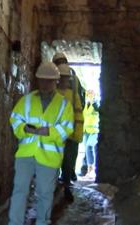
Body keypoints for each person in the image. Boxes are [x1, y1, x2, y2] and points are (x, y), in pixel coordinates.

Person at [8, 62, 74, 225]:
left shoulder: (64, 104)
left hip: (49, 157)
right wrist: (25, 128)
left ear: (56, 81)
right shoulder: (27, 100)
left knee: (45, 194)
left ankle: (42, 222)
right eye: (42, 80)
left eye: (49, 80)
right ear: (38, 80)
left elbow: (67, 128)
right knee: (19, 191)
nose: (45, 84)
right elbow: (15, 119)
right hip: (26, 154)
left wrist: (49, 132)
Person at [52, 52, 87, 179]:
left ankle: (63, 181)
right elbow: (80, 104)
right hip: (71, 127)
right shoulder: (75, 80)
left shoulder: (53, 81)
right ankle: (67, 177)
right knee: (68, 159)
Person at [56, 64, 84, 202]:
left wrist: (77, 134)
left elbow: (78, 116)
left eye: (65, 77)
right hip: (56, 135)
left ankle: (66, 187)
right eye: (62, 77)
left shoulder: (73, 95)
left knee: (67, 163)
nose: (64, 80)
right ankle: (56, 187)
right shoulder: (52, 93)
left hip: (69, 135)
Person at [83, 90, 100, 179]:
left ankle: (92, 170)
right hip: (86, 131)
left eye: (91, 94)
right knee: (87, 150)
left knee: (89, 146)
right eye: (88, 94)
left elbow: (98, 109)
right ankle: (88, 171)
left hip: (94, 130)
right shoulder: (86, 105)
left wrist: (93, 101)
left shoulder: (96, 103)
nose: (89, 96)